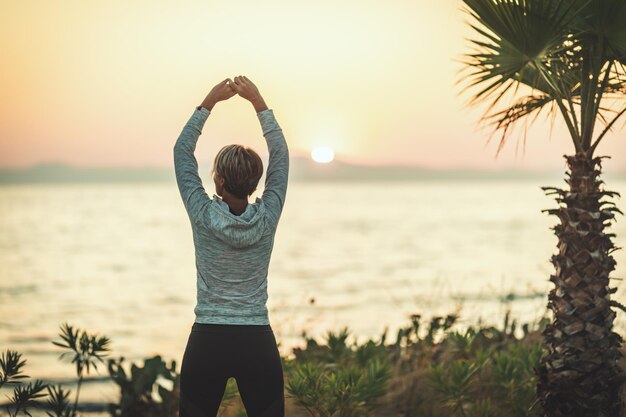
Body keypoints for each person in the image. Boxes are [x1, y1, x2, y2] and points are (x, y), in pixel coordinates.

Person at [173, 76, 288, 417]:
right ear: (256, 182)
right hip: (257, 341)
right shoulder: (268, 216)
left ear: (219, 181)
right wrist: (258, 102)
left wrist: (209, 101)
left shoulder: (203, 213)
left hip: (208, 340)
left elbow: (182, 151)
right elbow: (280, 153)